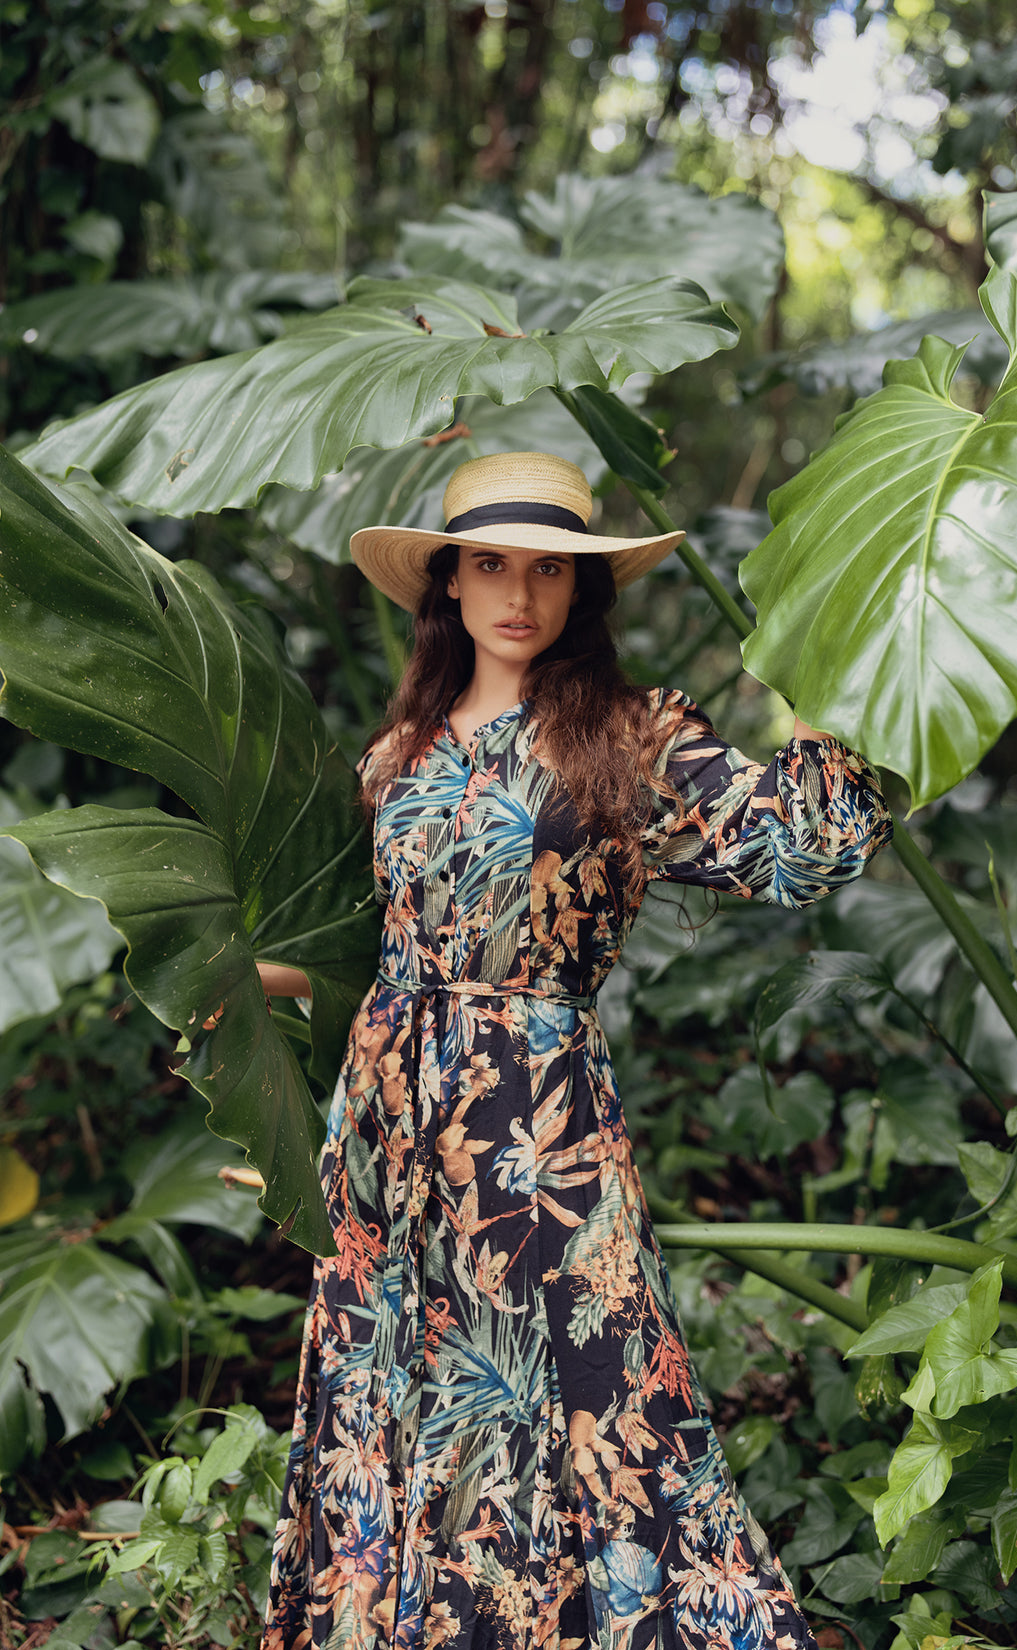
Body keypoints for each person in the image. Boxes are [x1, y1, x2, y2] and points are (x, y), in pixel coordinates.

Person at [257, 451, 893, 1650]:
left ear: (580, 591)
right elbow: (358, 939)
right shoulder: (395, 755)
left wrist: (820, 669)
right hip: (393, 1108)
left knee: (592, 1386)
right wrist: (233, 983)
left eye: (549, 569)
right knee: (396, 1378)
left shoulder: (631, 733)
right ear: (445, 583)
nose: (518, 593)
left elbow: (798, 847)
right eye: (490, 564)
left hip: (535, 1110)